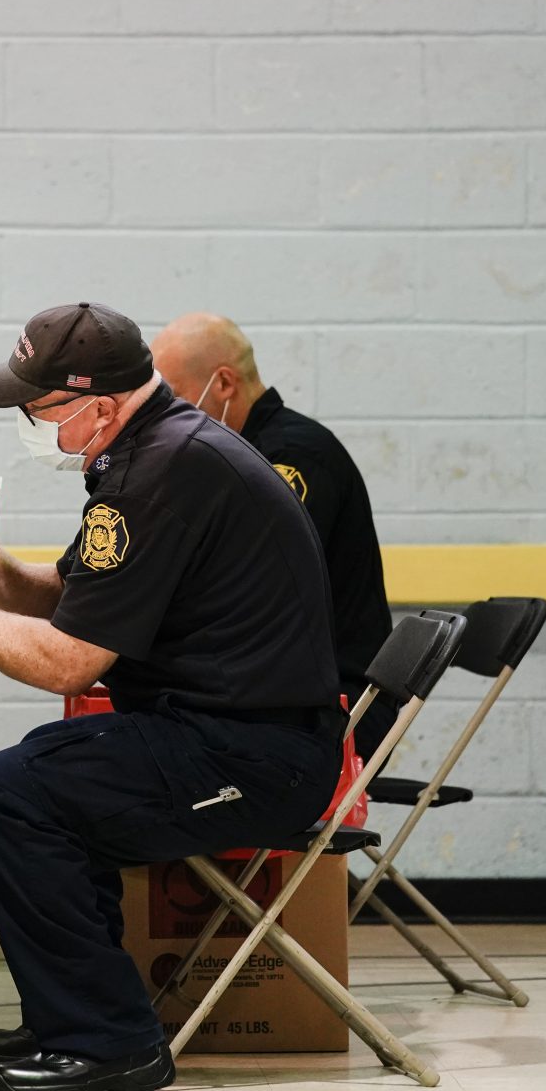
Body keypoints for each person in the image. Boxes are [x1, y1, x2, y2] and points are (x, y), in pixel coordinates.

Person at [0, 303, 342, 1091]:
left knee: (9, 796)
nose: (27, 420)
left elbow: (67, 664)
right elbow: (66, 597)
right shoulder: (153, 452)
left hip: (257, 757)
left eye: (37, 406)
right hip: (210, 732)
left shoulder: (163, 470)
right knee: (26, 780)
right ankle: (74, 1013)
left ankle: (112, 1041)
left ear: (101, 405)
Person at [151, 312, 396, 758]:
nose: (164, 416)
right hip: (283, 695)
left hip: (334, 706)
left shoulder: (291, 457)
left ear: (223, 384)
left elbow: (250, 587)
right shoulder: (238, 455)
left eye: (176, 397)